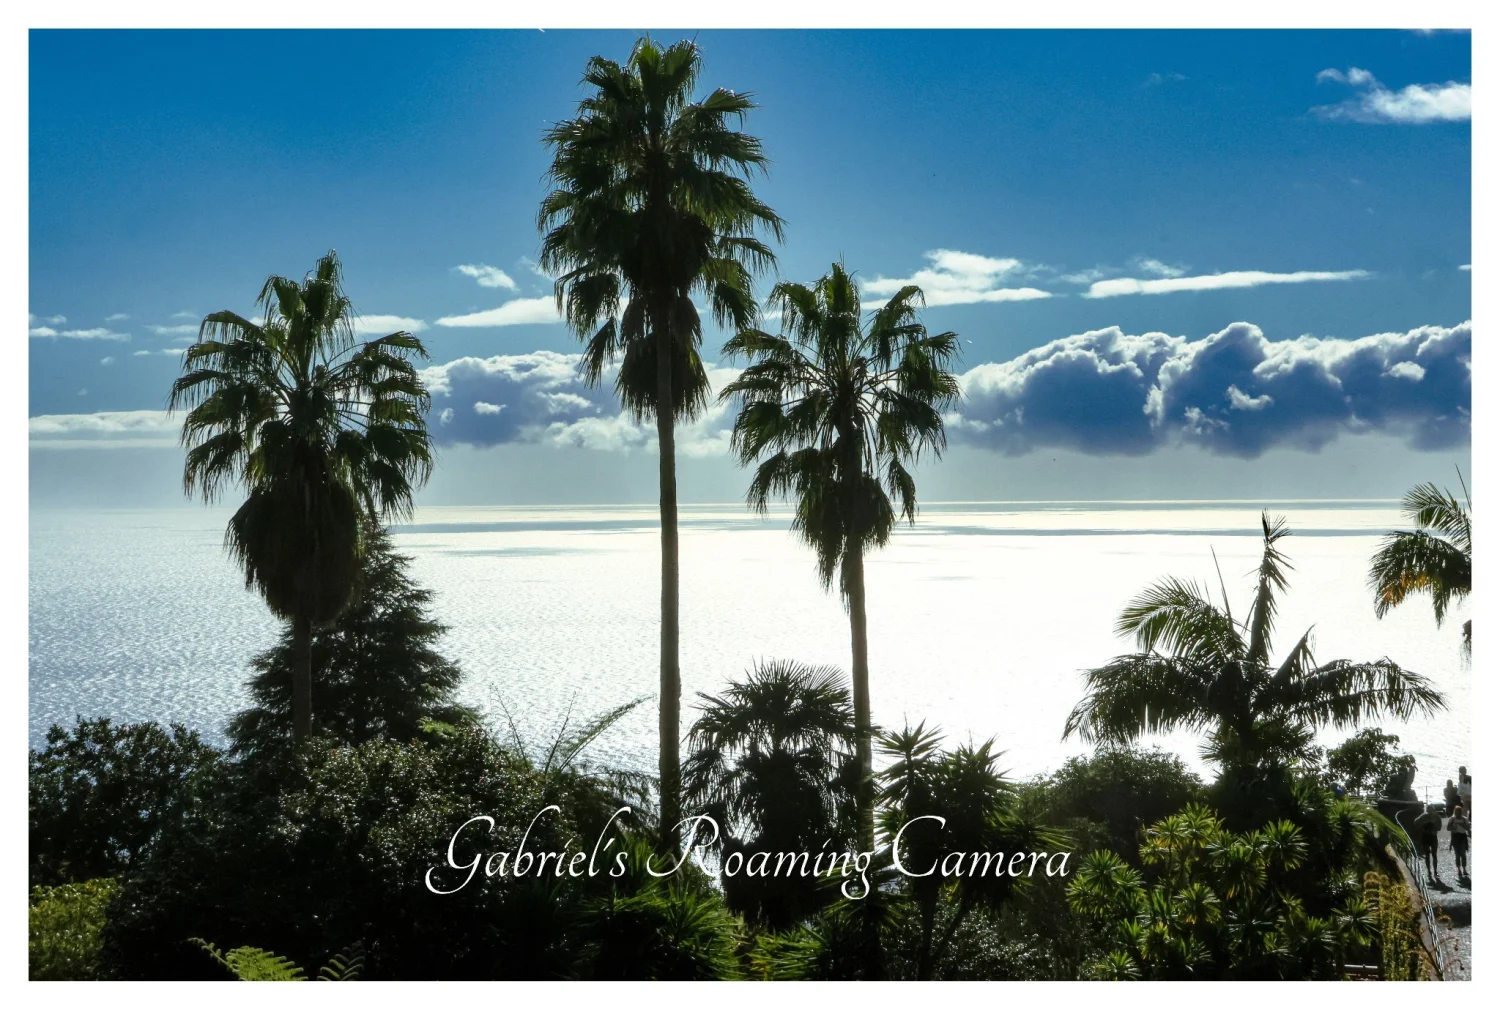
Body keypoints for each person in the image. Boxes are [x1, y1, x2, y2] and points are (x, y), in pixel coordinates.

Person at [1413, 807, 1444, 882]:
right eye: (1428, 811)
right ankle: (1429, 871)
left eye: (1431, 810)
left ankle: (1435, 871)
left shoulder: (1436, 817)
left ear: (1433, 810)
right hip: (1425, 837)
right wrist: (1422, 825)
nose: (1429, 812)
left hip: (1433, 837)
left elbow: (1439, 827)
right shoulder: (1423, 816)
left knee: (1434, 855)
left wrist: (1434, 826)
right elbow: (1415, 822)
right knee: (1427, 855)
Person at [1449, 804, 1471, 877]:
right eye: (1457, 811)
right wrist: (1454, 827)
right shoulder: (1452, 819)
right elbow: (1448, 828)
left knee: (1463, 854)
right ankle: (1459, 870)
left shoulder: (1464, 819)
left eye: (1459, 811)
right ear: (1455, 812)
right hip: (1455, 837)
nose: (1458, 813)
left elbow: (1468, 828)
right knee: (1457, 855)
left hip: (1462, 837)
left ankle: (1464, 869)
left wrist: (1463, 825)